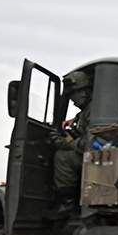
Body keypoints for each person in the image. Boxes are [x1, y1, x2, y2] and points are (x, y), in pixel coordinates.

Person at [50, 70, 93, 211]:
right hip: (92, 154)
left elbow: (92, 143)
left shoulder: (93, 111)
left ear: (84, 92)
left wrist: (69, 142)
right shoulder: (88, 110)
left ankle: (67, 202)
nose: (73, 102)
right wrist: (75, 120)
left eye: (74, 97)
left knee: (62, 157)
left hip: (95, 157)